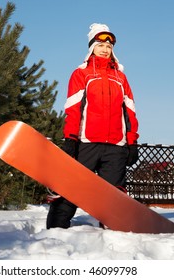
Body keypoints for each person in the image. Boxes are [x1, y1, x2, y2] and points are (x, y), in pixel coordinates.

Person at [46, 23, 139, 229]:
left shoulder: (121, 78)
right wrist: (71, 138)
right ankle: (55, 232)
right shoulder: (81, 74)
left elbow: (130, 112)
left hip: (116, 145)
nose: (105, 49)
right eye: (100, 45)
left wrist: (132, 142)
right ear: (92, 47)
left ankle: (113, 237)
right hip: (87, 142)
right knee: (72, 189)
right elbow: (73, 108)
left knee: (112, 195)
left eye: (109, 46)